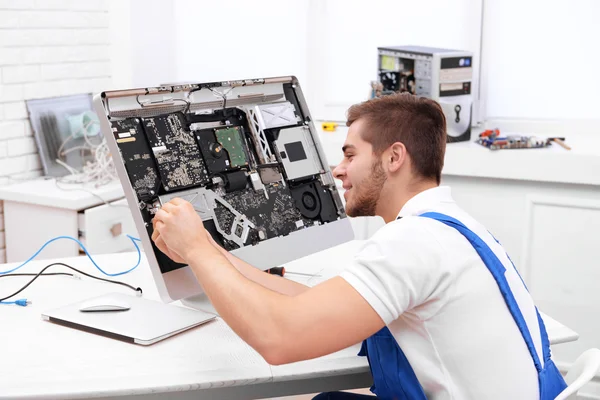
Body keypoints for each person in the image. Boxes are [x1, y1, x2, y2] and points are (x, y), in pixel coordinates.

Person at [152, 93, 566, 399]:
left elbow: (280, 339)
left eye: (350, 155)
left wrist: (198, 250)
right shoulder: (451, 226)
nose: (338, 170)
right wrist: (212, 254)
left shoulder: (412, 243)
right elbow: (316, 304)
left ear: (393, 158)